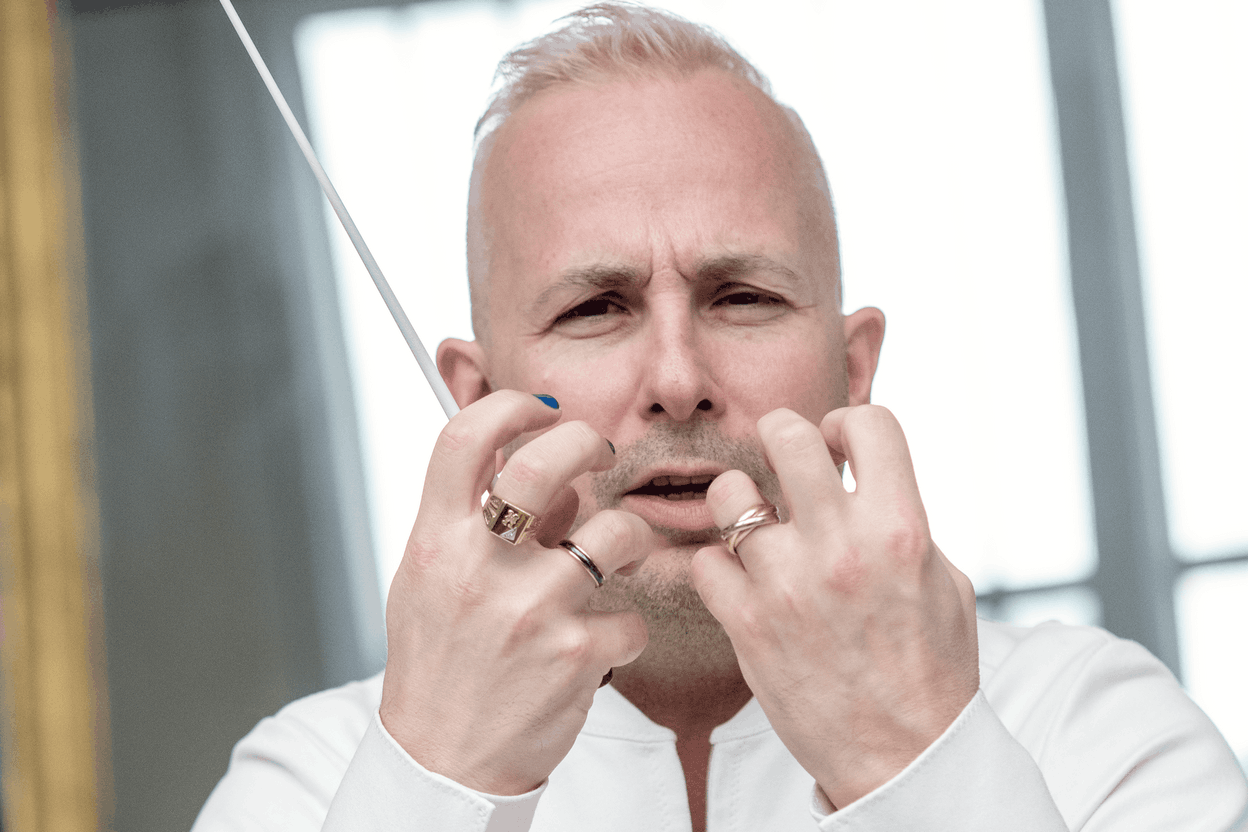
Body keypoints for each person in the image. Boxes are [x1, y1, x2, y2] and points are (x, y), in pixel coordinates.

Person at [193, 4, 1248, 830]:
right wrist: (438, 778)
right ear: (476, 403)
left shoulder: (1096, 725)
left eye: (742, 297)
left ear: (852, 371)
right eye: (594, 308)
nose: (678, 377)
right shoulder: (314, 780)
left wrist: (912, 754)